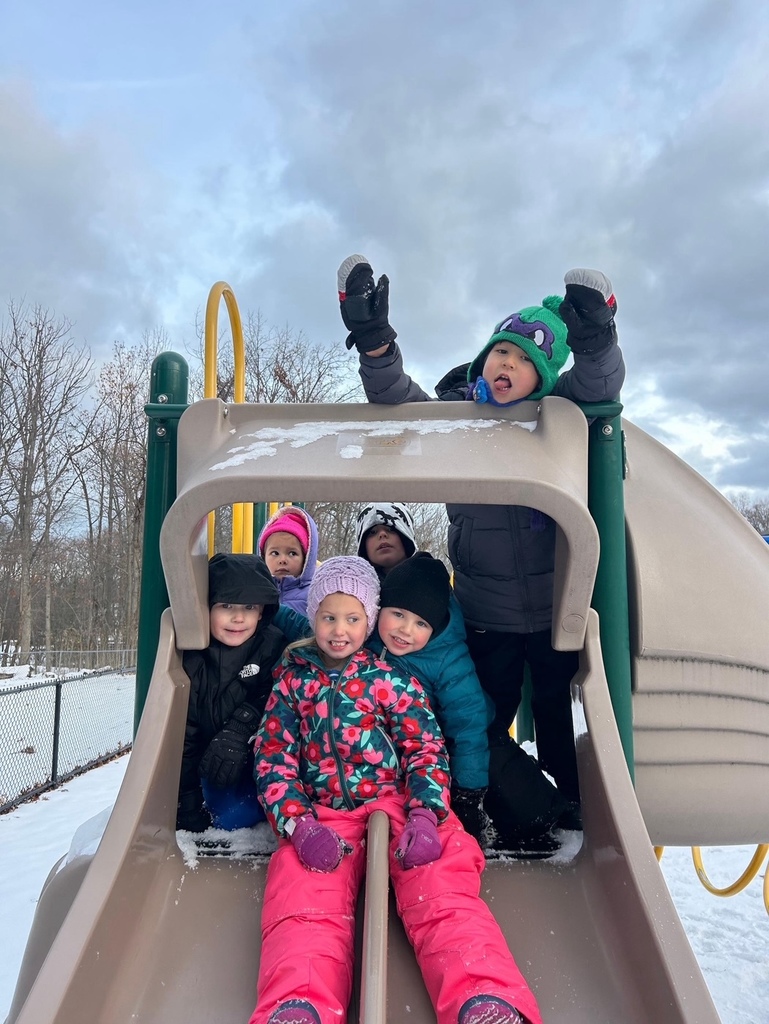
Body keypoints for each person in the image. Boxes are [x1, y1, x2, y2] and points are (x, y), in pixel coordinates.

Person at [337, 255, 626, 821]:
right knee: (486, 719)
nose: (508, 364)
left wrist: (595, 338)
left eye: (524, 360)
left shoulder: (553, 416)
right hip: (486, 613)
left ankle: (570, 803)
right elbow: (395, 398)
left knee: (554, 713)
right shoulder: (456, 421)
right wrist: (374, 342)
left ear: (541, 378)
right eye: (502, 351)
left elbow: (599, 382)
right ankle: (509, 805)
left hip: (552, 610)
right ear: (483, 358)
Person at [250, 555, 542, 1024]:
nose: (339, 630)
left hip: (397, 804)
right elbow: (273, 757)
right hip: (324, 813)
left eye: (352, 618)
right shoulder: (293, 681)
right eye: (328, 617)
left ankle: (484, 996)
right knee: (304, 902)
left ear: (369, 623)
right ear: (313, 618)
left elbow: (425, 747)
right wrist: (298, 824)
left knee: (441, 887)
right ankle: (298, 1004)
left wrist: (428, 813)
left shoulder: (390, 680)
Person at [175, 552, 287, 833]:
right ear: (207, 608)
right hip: (209, 766)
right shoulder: (193, 659)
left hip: (259, 763)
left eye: (249, 607)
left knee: (246, 812)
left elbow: (276, 697)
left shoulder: (271, 648)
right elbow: (184, 737)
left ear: (262, 611)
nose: (238, 617)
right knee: (226, 816)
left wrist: (241, 727)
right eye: (226, 605)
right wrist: (187, 801)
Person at [258, 504, 319, 615]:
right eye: (275, 553)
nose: (282, 560)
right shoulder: (257, 591)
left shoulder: (315, 594)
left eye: (292, 553)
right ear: (263, 557)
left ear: (306, 559)